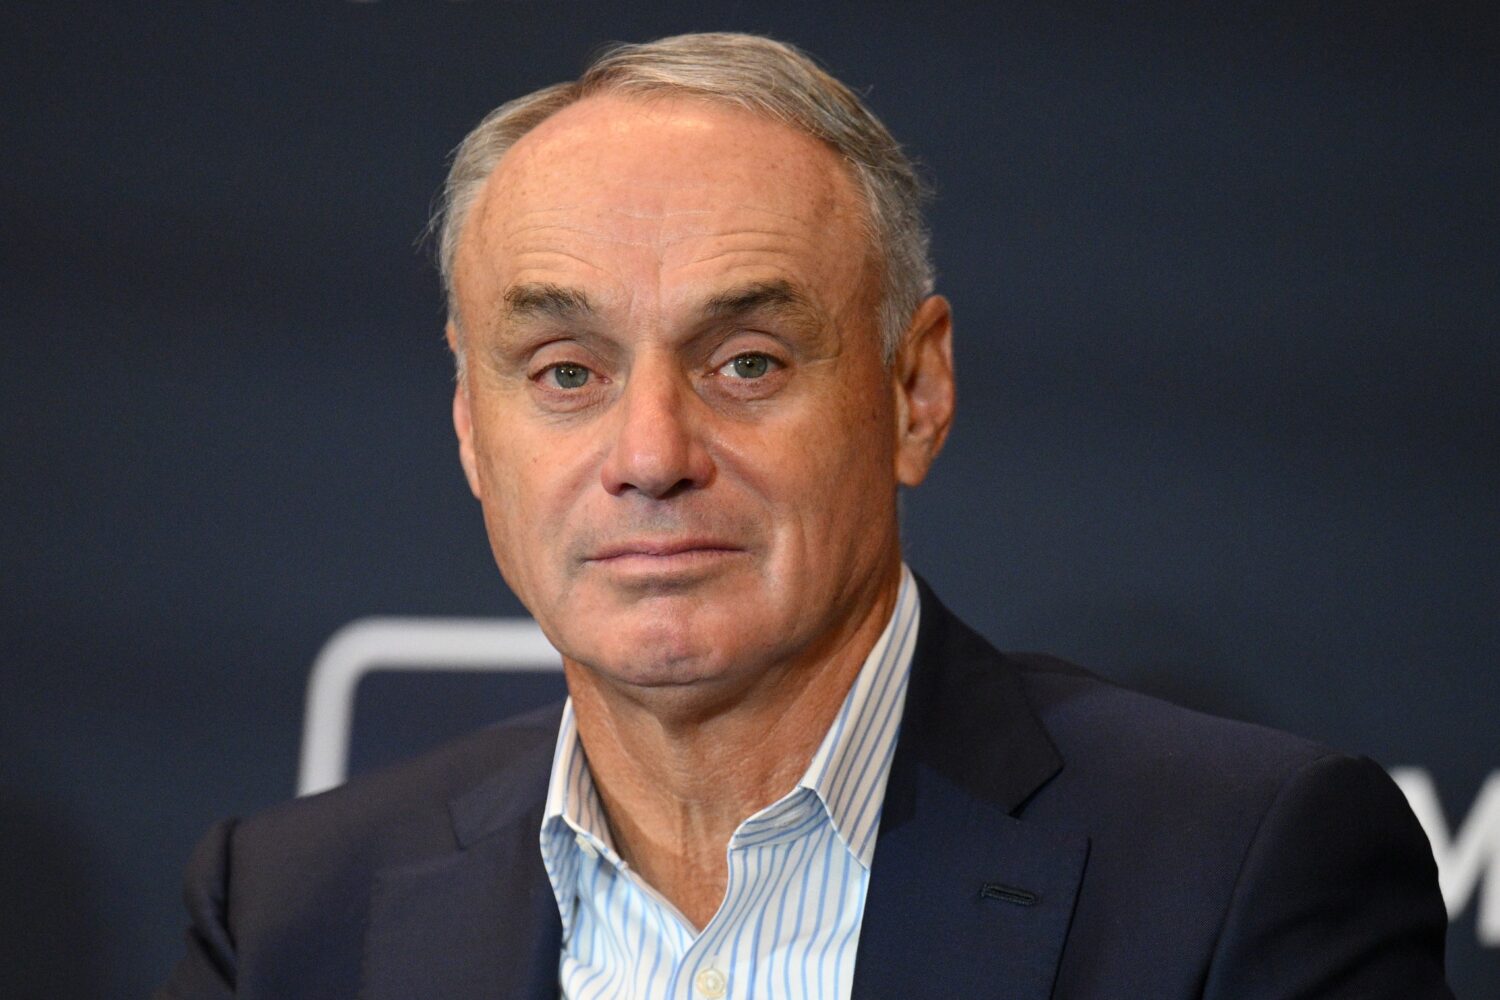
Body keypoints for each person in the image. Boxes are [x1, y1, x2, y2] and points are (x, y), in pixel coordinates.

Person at [156, 32, 1453, 1000]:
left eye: (749, 363)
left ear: (915, 391)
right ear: (467, 426)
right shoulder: (286, 920)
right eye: (566, 372)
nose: (651, 455)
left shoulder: (1239, 871)